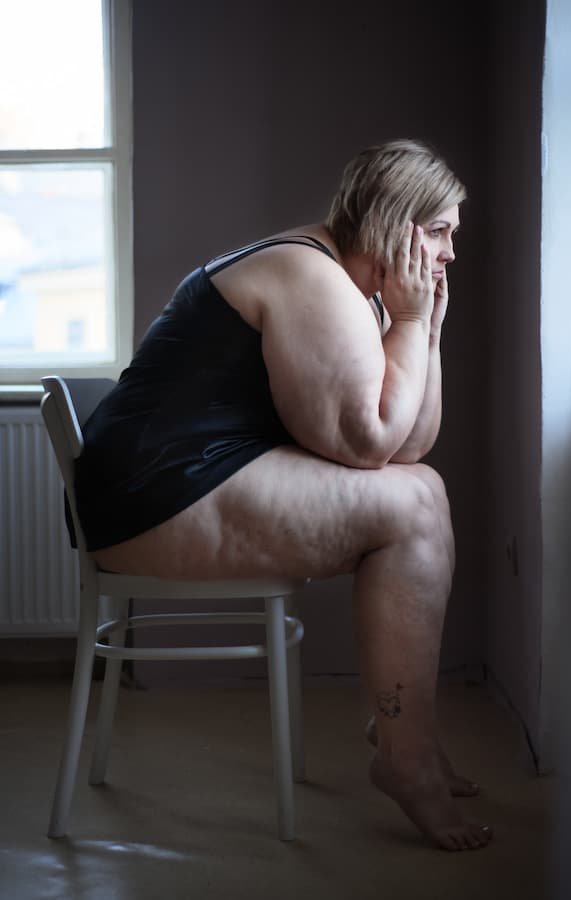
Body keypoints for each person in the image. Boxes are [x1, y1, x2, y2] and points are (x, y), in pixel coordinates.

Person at [75, 138, 492, 851]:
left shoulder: (344, 281)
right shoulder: (311, 274)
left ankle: (402, 731)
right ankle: (406, 753)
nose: (451, 251)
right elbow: (368, 446)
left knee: (422, 487)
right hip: (154, 494)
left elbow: (410, 444)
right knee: (414, 507)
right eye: (442, 231)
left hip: (177, 480)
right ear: (399, 226)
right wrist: (412, 325)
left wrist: (429, 330)